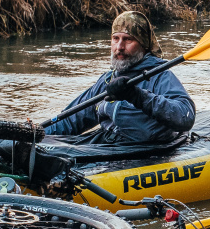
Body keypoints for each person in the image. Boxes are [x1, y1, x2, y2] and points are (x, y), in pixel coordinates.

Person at [45, 11, 196, 144]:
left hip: (148, 148)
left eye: (128, 39)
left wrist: (137, 96)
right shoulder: (108, 80)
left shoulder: (160, 75)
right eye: (115, 38)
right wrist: (35, 134)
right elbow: (71, 120)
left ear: (143, 45)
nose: (119, 47)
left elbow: (185, 115)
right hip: (113, 144)